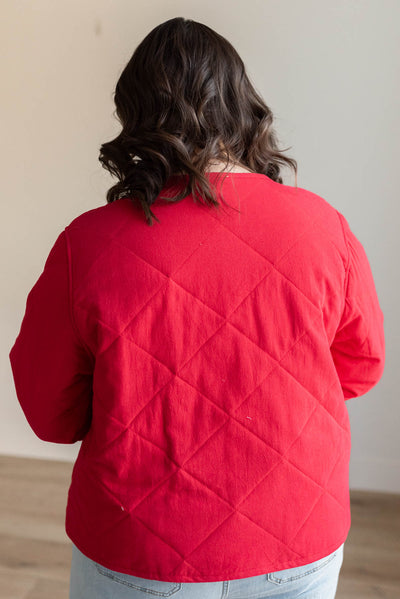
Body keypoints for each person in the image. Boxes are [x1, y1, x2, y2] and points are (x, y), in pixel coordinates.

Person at [9, 16, 385, 599]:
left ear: (134, 118)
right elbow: (360, 369)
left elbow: (49, 413)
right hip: (300, 536)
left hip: (137, 548)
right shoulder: (323, 228)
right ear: (241, 106)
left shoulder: (86, 243)